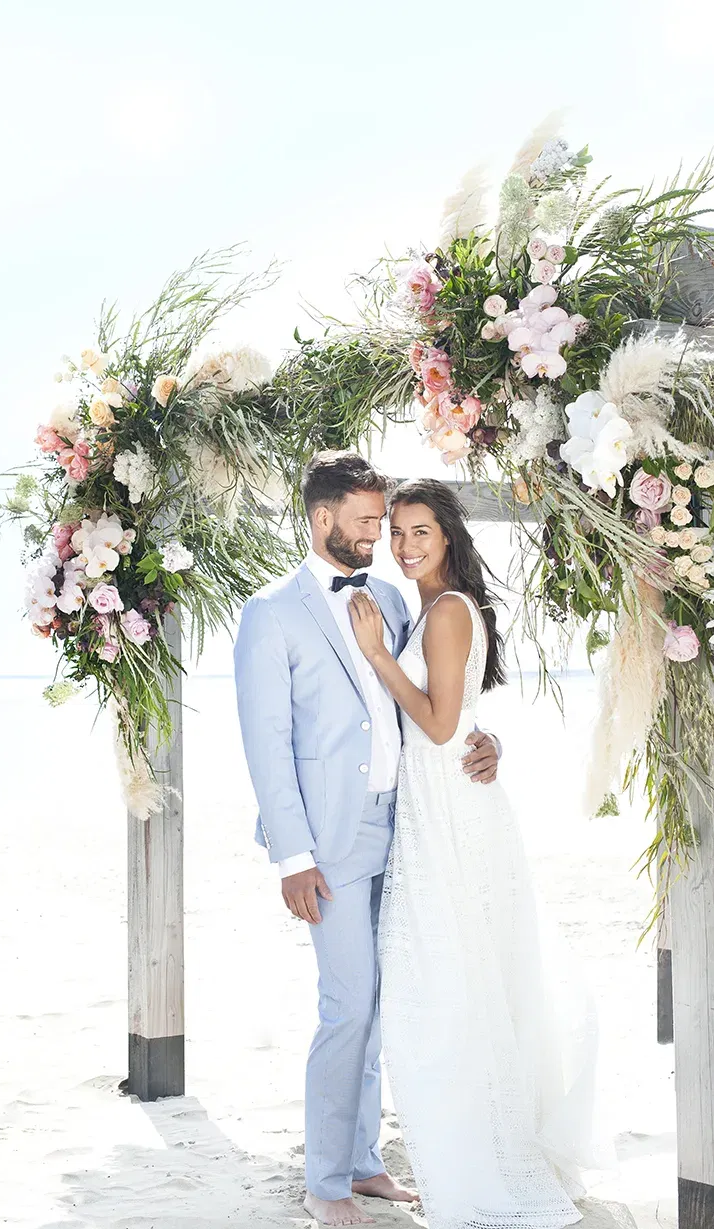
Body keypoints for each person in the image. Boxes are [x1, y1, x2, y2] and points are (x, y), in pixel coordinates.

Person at [233, 453, 500, 1228]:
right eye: (365, 521)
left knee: (385, 1005)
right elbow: (267, 742)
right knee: (346, 1006)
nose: (380, 535)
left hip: (409, 825)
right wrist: (293, 856)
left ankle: (363, 1160)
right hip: (329, 841)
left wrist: (486, 745)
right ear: (322, 519)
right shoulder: (271, 612)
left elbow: (435, 702)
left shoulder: (388, 594)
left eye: (384, 521)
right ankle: (325, 1179)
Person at [347, 478, 603, 1229]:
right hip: (445, 805)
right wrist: (489, 741)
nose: (404, 545)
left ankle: (483, 1157)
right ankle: (475, 1140)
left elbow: (436, 722)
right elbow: (464, 723)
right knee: (460, 981)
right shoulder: (431, 607)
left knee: (450, 984)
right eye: (396, 531)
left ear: (449, 537)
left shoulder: (447, 611)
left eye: (420, 531)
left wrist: (373, 655)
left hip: (453, 814)